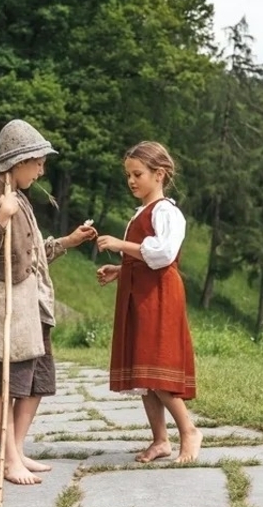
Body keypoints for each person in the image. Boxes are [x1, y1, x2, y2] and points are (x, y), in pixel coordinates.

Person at [0, 119, 97, 485]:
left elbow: (33, 253)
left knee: (37, 380)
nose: (41, 170)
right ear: (18, 161)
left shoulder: (20, 198)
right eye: (37, 162)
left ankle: (15, 450)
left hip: (34, 302)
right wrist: (2, 217)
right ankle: (8, 459)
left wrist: (68, 242)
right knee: (9, 380)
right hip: (8, 301)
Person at [95, 140, 202, 464]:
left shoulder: (167, 212)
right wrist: (120, 269)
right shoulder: (144, 212)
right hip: (141, 293)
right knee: (145, 371)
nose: (131, 180)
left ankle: (189, 431)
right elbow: (146, 255)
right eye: (128, 174)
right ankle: (160, 440)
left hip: (159, 296)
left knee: (158, 368)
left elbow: (163, 253)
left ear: (160, 174)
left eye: (137, 174)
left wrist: (119, 244)